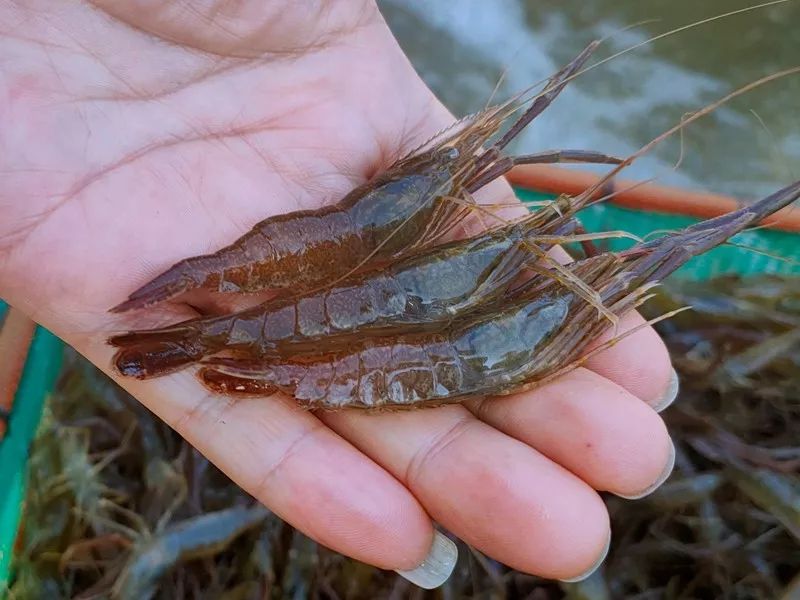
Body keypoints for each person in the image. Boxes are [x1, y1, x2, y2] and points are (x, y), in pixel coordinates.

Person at [0, 1, 678, 588]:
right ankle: (215, 338)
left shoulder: (447, 262)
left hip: (368, 319)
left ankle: (219, 342)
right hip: (333, 284)